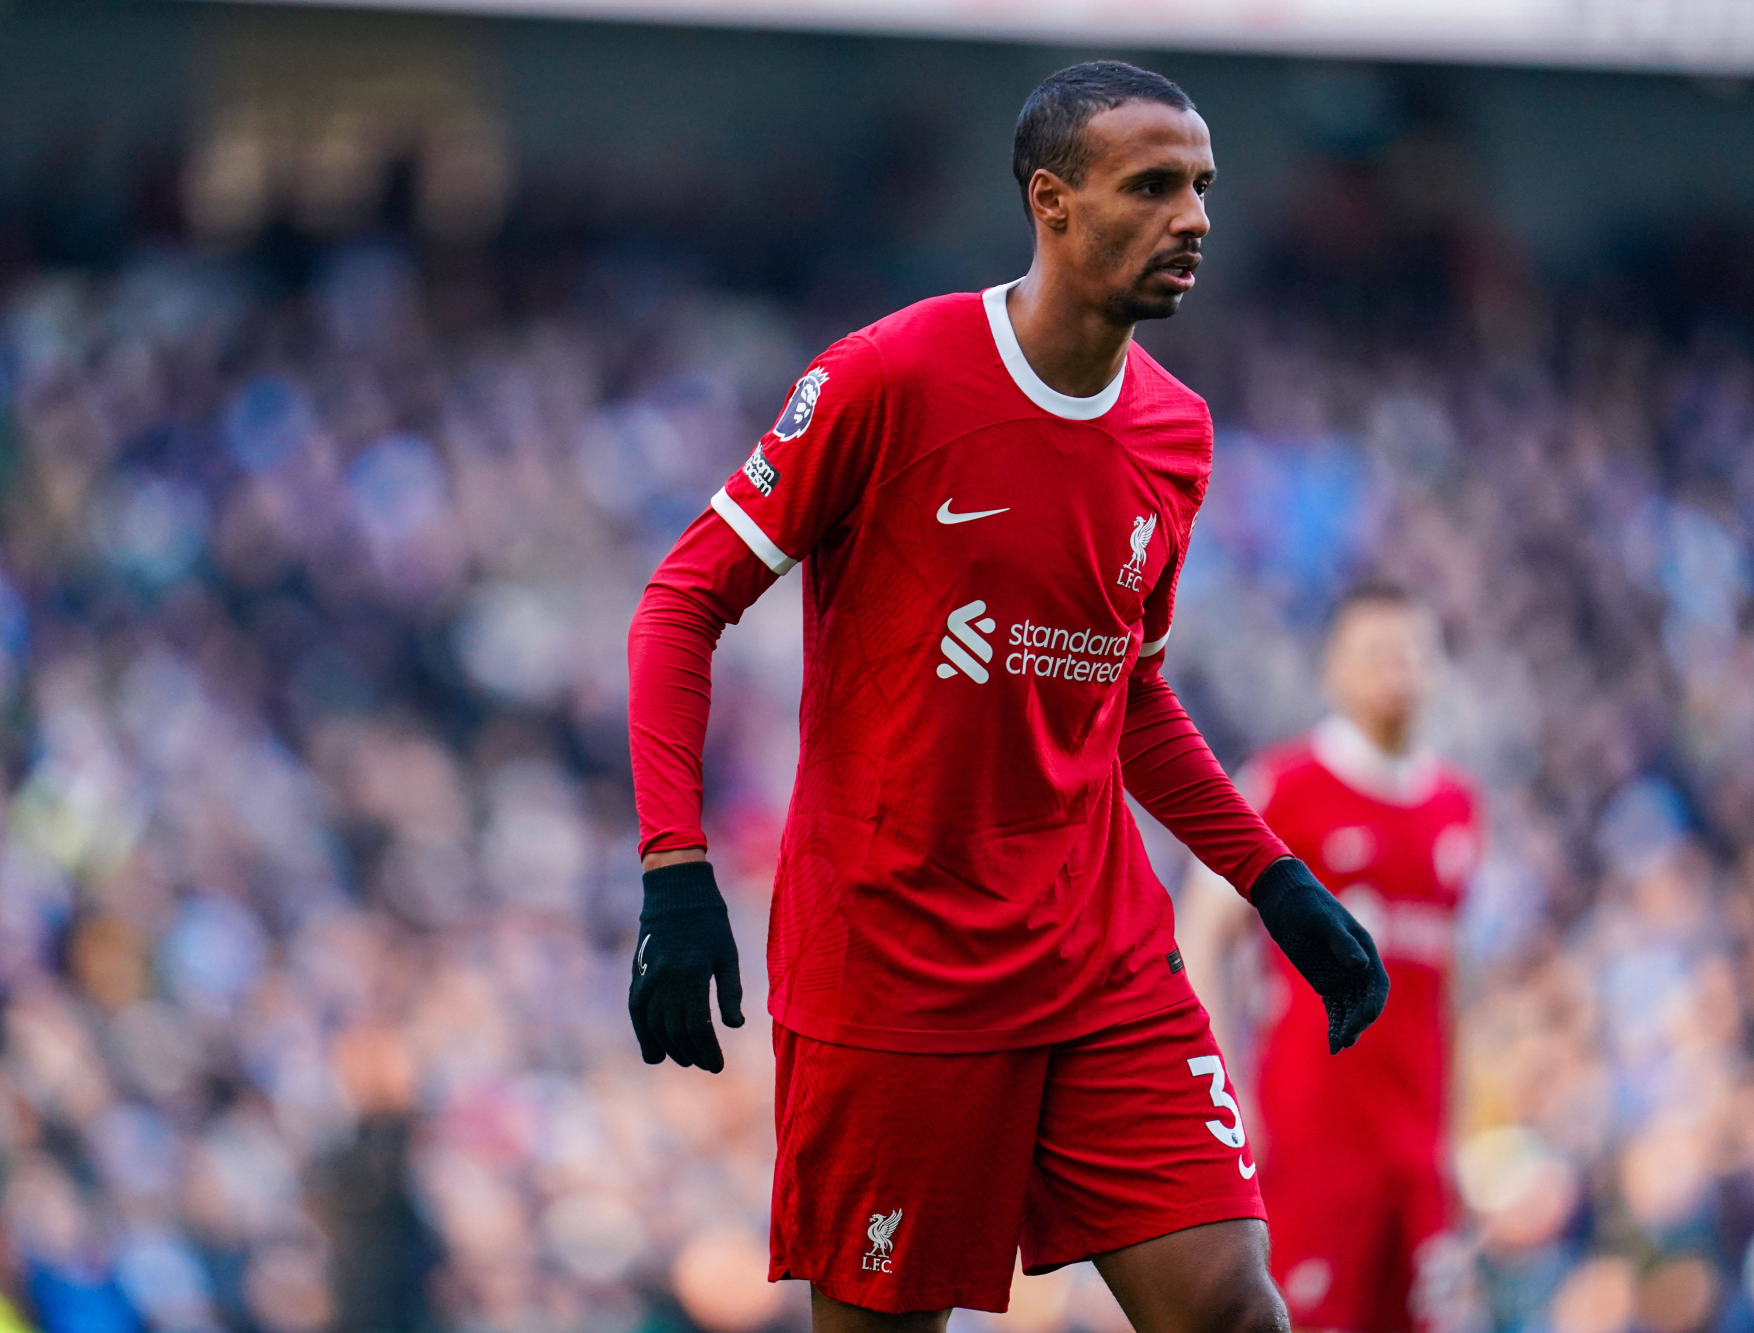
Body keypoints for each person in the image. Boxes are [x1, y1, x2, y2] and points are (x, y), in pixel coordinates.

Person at [624, 61, 1390, 1333]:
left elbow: (1123, 691)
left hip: (1101, 960)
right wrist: (673, 870)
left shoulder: (1175, 434)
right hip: (893, 971)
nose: (1192, 218)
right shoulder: (889, 377)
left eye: (1201, 187)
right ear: (1051, 201)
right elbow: (679, 602)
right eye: (1151, 187)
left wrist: (1274, 881)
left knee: (1232, 1309)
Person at [1176, 584, 1480, 1333]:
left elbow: (1451, 985)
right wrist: (1225, 1091)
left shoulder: (1457, 808)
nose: (1397, 671)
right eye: (1377, 654)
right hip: (1310, 1140)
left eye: (1412, 653)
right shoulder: (1286, 786)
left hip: (1418, 1148)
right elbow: (1201, 932)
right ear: (1333, 670)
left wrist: (1457, 1132)